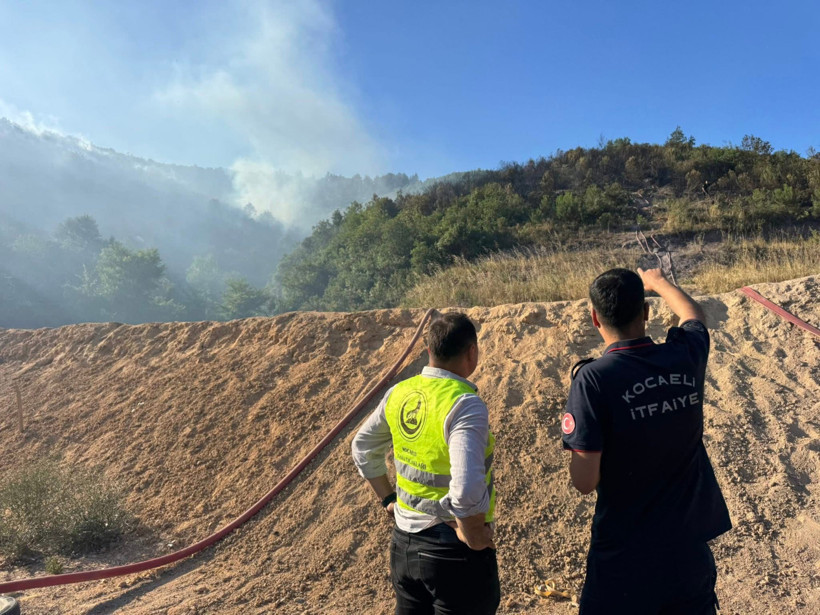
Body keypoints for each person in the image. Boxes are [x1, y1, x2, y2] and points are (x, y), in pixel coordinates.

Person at [562, 267, 732, 614]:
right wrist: (659, 282)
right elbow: (693, 316)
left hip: (625, 558)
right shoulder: (684, 355)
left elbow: (584, 481)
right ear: (646, 312)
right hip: (687, 553)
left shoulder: (593, 379)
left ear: (595, 318)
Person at [352, 312, 499, 615]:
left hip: (404, 546)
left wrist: (388, 499)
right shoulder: (465, 404)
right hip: (451, 551)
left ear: (429, 350)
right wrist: (472, 535)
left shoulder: (399, 392)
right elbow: (467, 488)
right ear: (472, 352)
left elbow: (362, 446)